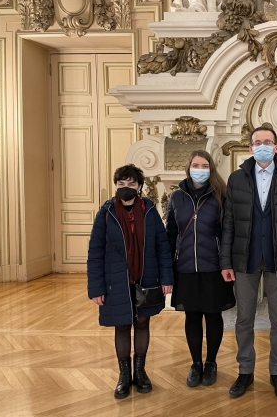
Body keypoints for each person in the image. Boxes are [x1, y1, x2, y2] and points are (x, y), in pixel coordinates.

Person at [220, 125, 277, 400]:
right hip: (244, 259)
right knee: (243, 318)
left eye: (267, 142)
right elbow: (229, 223)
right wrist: (226, 261)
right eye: (257, 142)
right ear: (250, 148)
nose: (262, 146)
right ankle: (245, 370)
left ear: (276, 147)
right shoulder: (236, 178)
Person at [87, 164, 173, 399]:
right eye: (121, 183)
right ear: (116, 186)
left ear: (139, 186)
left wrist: (166, 278)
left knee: (143, 323)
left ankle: (140, 372)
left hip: (147, 277)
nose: (125, 187)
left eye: (131, 183)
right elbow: (95, 252)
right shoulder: (106, 213)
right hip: (116, 281)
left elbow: (162, 247)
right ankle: (124, 376)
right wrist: (96, 288)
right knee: (122, 325)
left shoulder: (150, 210)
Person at [166, 150, 235, 387]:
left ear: (211, 169)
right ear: (188, 168)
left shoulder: (221, 195)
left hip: (213, 267)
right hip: (185, 267)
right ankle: (196, 363)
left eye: (204, 166)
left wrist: (228, 263)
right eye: (195, 165)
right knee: (192, 316)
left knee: (213, 316)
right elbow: (170, 234)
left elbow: (227, 234)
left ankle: (211, 362)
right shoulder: (176, 197)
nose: (200, 169)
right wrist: (167, 268)